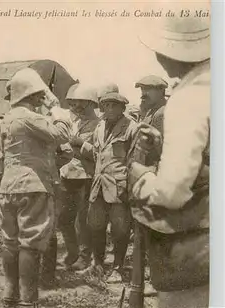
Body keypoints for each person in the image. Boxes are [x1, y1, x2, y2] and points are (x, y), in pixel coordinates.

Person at [130, 16, 210, 308]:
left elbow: (173, 191)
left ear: (166, 53)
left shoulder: (188, 98)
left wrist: (141, 179)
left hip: (198, 245)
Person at [0, 68, 71, 307]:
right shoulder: (29, 117)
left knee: (10, 241)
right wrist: (56, 108)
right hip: (32, 186)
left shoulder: (7, 118)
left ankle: (11, 295)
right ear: (28, 94)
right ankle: (28, 301)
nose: (41, 98)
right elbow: (62, 134)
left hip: (8, 186)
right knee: (30, 243)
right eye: (38, 94)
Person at [82, 92, 138, 281]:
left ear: (123, 108)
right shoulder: (99, 127)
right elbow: (97, 153)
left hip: (119, 186)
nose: (109, 109)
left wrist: (131, 186)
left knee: (120, 229)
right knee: (95, 225)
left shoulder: (131, 128)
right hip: (98, 184)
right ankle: (97, 264)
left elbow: (135, 160)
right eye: (106, 105)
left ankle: (117, 268)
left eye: (114, 105)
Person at [55, 83, 100, 272]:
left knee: (83, 220)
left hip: (86, 176)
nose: (77, 106)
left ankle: (84, 256)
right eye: (74, 103)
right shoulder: (72, 121)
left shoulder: (99, 125)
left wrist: (78, 144)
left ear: (91, 103)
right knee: (64, 218)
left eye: (82, 102)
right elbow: (64, 144)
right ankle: (72, 253)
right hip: (67, 173)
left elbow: (97, 153)